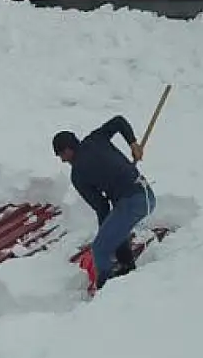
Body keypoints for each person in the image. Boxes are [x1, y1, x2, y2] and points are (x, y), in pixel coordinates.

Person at [53, 115, 156, 290]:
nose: (63, 160)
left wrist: (104, 233)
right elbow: (119, 121)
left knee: (100, 249)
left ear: (68, 150)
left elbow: (101, 207)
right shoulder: (96, 139)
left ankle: (105, 289)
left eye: (61, 155)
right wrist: (133, 143)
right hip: (146, 195)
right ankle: (127, 267)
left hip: (132, 202)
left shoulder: (78, 175)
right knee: (116, 230)